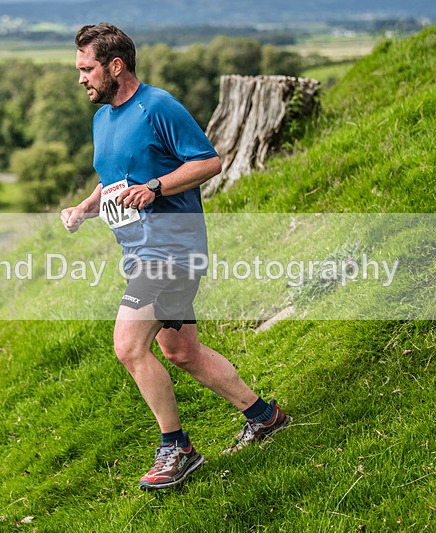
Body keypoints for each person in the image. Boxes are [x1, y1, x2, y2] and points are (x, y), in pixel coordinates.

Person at [61, 22, 291, 491]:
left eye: (87, 69)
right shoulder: (102, 118)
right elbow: (114, 177)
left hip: (172, 248)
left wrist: (157, 187)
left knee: (128, 346)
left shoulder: (158, 106)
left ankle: (176, 448)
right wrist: (86, 208)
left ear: (115, 66)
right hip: (140, 250)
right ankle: (265, 417)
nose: (82, 78)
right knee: (181, 351)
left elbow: (209, 161)